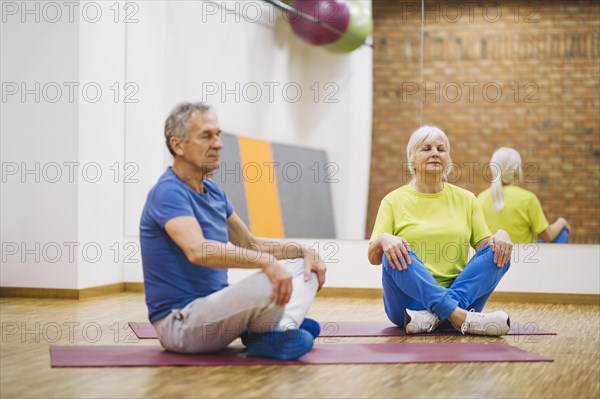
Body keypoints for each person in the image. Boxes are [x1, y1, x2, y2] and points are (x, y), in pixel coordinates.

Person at [140, 102, 327, 360]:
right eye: (206, 136)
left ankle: (271, 330)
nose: (218, 144)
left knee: (305, 265)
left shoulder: (214, 192)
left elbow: (250, 244)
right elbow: (198, 251)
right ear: (177, 145)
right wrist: (267, 263)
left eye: (218, 134)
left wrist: (303, 250)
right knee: (270, 276)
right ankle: (272, 329)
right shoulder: (168, 192)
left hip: (216, 315)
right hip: (182, 325)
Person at [368, 126, 513, 336]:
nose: (435, 153)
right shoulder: (393, 201)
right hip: (407, 307)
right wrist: (383, 239)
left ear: (448, 158)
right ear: (412, 159)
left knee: (501, 254)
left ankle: (438, 316)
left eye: (441, 149)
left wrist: (502, 235)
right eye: (426, 148)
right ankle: (460, 317)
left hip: (457, 300)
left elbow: (486, 252)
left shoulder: (466, 199)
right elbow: (373, 258)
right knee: (394, 252)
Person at [477, 147, 571, 243]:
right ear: (516, 171)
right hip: (524, 257)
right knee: (562, 233)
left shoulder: (480, 198)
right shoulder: (528, 199)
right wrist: (561, 221)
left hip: (491, 256)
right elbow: (548, 236)